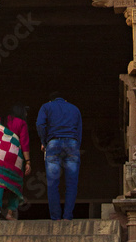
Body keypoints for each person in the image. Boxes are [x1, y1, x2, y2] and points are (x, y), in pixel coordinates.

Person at [36, 92, 82, 221]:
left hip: (53, 143)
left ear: (51, 100)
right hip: (72, 144)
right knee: (72, 183)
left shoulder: (46, 107)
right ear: (66, 100)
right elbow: (79, 131)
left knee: (52, 183)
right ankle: (67, 216)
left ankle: (55, 217)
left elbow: (40, 124)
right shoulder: (75, 109)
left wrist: (44, 142)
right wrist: (76, 145)